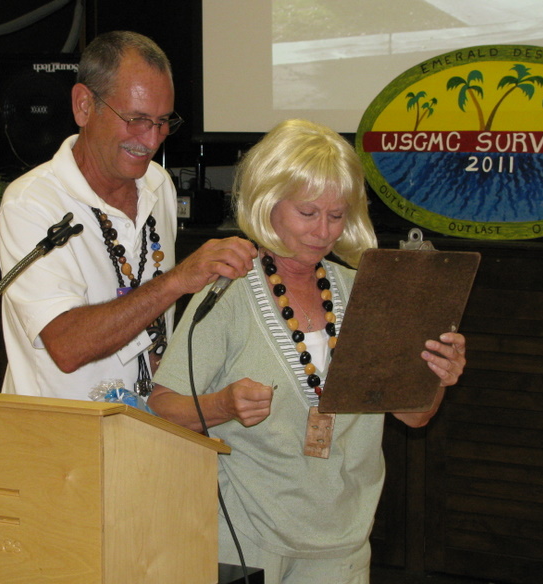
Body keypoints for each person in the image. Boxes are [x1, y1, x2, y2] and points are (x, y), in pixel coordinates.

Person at [147, 119, 467, 584]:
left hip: (345, 540)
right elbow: (162, 408)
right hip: (247, 537)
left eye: (336, 216)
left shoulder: (369, 293)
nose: (323, 231)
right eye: (308, 212)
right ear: (267, 204)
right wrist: (222, 406)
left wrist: (437, 376)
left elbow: (415, 417)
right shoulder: (227, 294)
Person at [0, 31, 255, 401]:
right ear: (84, 105)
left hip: (141, 423)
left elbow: (151, 325)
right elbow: (67, 346)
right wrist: (176, 281)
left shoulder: (158, 185)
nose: (151, 140)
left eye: (162, 122)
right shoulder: (31, 202)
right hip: (58, 429)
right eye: (136, 119)